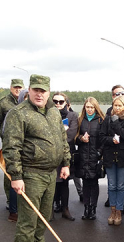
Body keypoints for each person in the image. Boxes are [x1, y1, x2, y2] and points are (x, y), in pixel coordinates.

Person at [2, 74, 70, 242]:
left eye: (44, 91)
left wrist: (66, 162)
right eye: (36, 90)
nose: (40, 94)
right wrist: (16, 176)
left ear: (49, 92)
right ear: (29, 90)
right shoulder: (18, 114)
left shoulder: (53, 112)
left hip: (51, 173)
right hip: (30, 174)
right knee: (28, 219)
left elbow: (62, 138)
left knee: (44, 216)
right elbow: (11, 146)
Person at [101, 95, 124, 225]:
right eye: (115, 105)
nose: (117, 108)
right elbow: (102, 137)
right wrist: (111, 140)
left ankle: (119, 211)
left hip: (123, 156)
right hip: (110, 156)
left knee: (121, 185)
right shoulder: (107, 119)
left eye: (119, 106)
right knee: (112, 185)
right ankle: (112, 209)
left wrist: (116, 121)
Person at [0, 78, 25, 222]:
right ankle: (10, 203)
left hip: (24, 144)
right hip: (9, 142)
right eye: (15, 87)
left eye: (20, 87)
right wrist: (6, 135)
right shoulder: (3, 102)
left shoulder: (27, 102)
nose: (17, 90)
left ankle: (19, 203)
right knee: (10, 173)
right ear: (11, 88)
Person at [75, 97, 105, 220]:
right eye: (87, 107)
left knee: (94, 182)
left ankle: (93, 208)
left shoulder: (101, 121)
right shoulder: (80, 119)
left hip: (95, 156)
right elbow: (75, 137)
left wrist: (99, 152)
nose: (90, 109)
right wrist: (81, 138)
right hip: (83, 155)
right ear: (84, 107)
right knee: (86, 182)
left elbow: (104, 139)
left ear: (96, 108)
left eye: (92, 107)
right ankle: (86, 207)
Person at [52, 92, 78, 221]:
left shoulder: (72, 115)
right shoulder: (48, 115)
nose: (58, 104)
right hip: (51, 153)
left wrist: (57, 140)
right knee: (52, 182)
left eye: (61, 102)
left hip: (67, 153)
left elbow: (71, 134)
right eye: (55, 101)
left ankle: (65, 209)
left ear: (66, 103)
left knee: (64, 182)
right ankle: (50, 209)